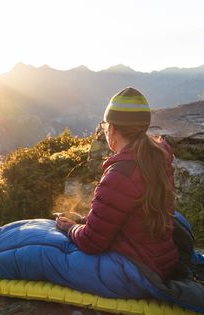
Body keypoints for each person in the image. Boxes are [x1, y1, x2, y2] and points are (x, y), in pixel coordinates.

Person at [56, 87, 179, 278]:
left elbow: (91, 243)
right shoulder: (158, 158)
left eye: (105, 127)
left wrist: (71, 228)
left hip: (136, 271)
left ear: (112, 129)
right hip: (161, 261)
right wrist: (87, 222)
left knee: (48, 255)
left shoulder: (120, 174)